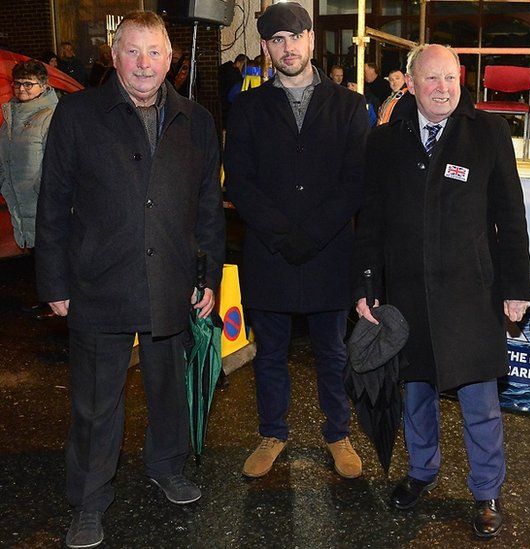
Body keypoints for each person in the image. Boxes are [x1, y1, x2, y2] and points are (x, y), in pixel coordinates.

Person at [34, 11, 224, 549]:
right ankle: (89, 501)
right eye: (133, 52)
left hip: (172, 277)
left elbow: (209, 206)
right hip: (98, 281)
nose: (144, 64)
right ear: (114, 58)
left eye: (154, 52)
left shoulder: (198, 121)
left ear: (171, 58)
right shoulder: (77, 115)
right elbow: (53, 205)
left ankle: (167, 466)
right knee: (96, 402)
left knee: (169, 389)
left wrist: (207, 275)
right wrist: (54, 282)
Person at [353, 43, 530, 538]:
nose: (443, 88)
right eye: (431, 79)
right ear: (409, 85)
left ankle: (486, 491)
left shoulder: (490, 134)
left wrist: (517, 286)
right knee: (416, 395)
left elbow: (510, 218)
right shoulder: (385, 143)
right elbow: (370, 223)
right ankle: (421, 472)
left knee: (480, 401)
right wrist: (367, 286)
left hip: (472, 294)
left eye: (451, 78)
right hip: (407, 295)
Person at [223, 1, 368, 481]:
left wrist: (314, 234)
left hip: (329, 253)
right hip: (270, 252)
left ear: (311, 39)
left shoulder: (349, 106)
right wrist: (284, 235)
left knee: (333, 351)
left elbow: (355, 181)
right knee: (270, 352)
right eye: (277, 40)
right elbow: (240, 182)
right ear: (266, 47)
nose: (288, 48)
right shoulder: (246, 107)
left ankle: (337, 433)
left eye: (296, 37)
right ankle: (272, 432)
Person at [1, 60, 58, 251]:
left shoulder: (51, 117)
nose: (21, 89)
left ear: (43, 85)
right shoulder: (11, 116)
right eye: (17, 83)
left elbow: (57, 166)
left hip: (43, 206)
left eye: (28, 84)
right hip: (19, 204)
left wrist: (42, 192)